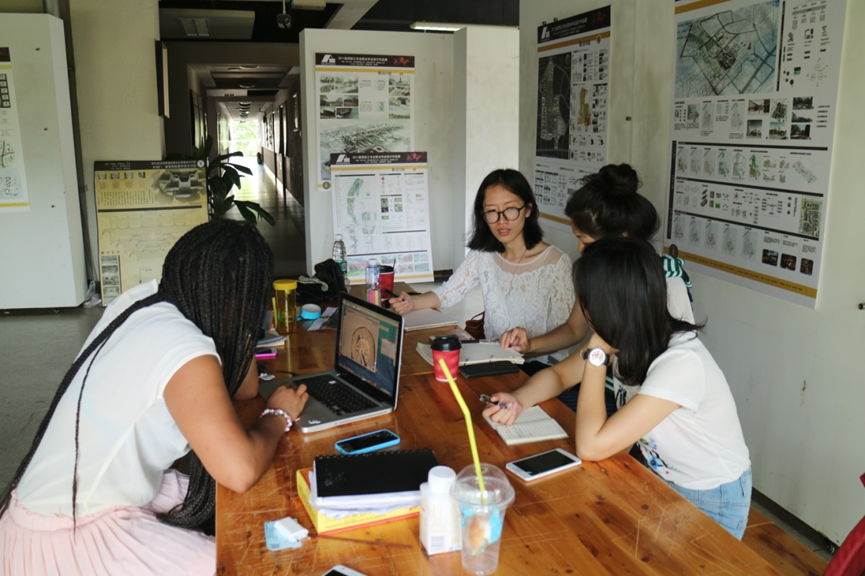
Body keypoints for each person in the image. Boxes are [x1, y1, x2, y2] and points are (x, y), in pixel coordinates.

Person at [0, 220, 309, 575]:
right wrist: (277, 416)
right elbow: (239, 470)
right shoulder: (185, 349)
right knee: (243, 562)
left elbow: (245, 389)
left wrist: (239, 327)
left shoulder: (140, 302)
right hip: (68, 535)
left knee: (237, 505)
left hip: (54, 504)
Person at [484, 237, 752, 540]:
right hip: (662, 475)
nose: (583, 310)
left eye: (585, 300)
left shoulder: (680, 363)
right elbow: (559, 376)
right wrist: (519, 399)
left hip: (712, 496)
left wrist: (596, 355)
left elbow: (590, 446)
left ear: (606, 306)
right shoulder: (628, 337)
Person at [499, 163, 694, 357]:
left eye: (585, 241)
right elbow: (574, 329)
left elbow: (677, 356)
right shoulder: (597, 275)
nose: (580, 249)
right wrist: (529, 345)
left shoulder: (668, 280)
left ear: (621, 240)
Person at [389, 168, 575, 365]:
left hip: (538, 367)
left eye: (510, 209)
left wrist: (528, 346)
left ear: (528, 210)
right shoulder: (484, 254)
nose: (501, 220)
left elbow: (565, 334)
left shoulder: (555, 263)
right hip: (494, 360)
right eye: (492, 211)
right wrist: (412, 302)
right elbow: (449, 292)